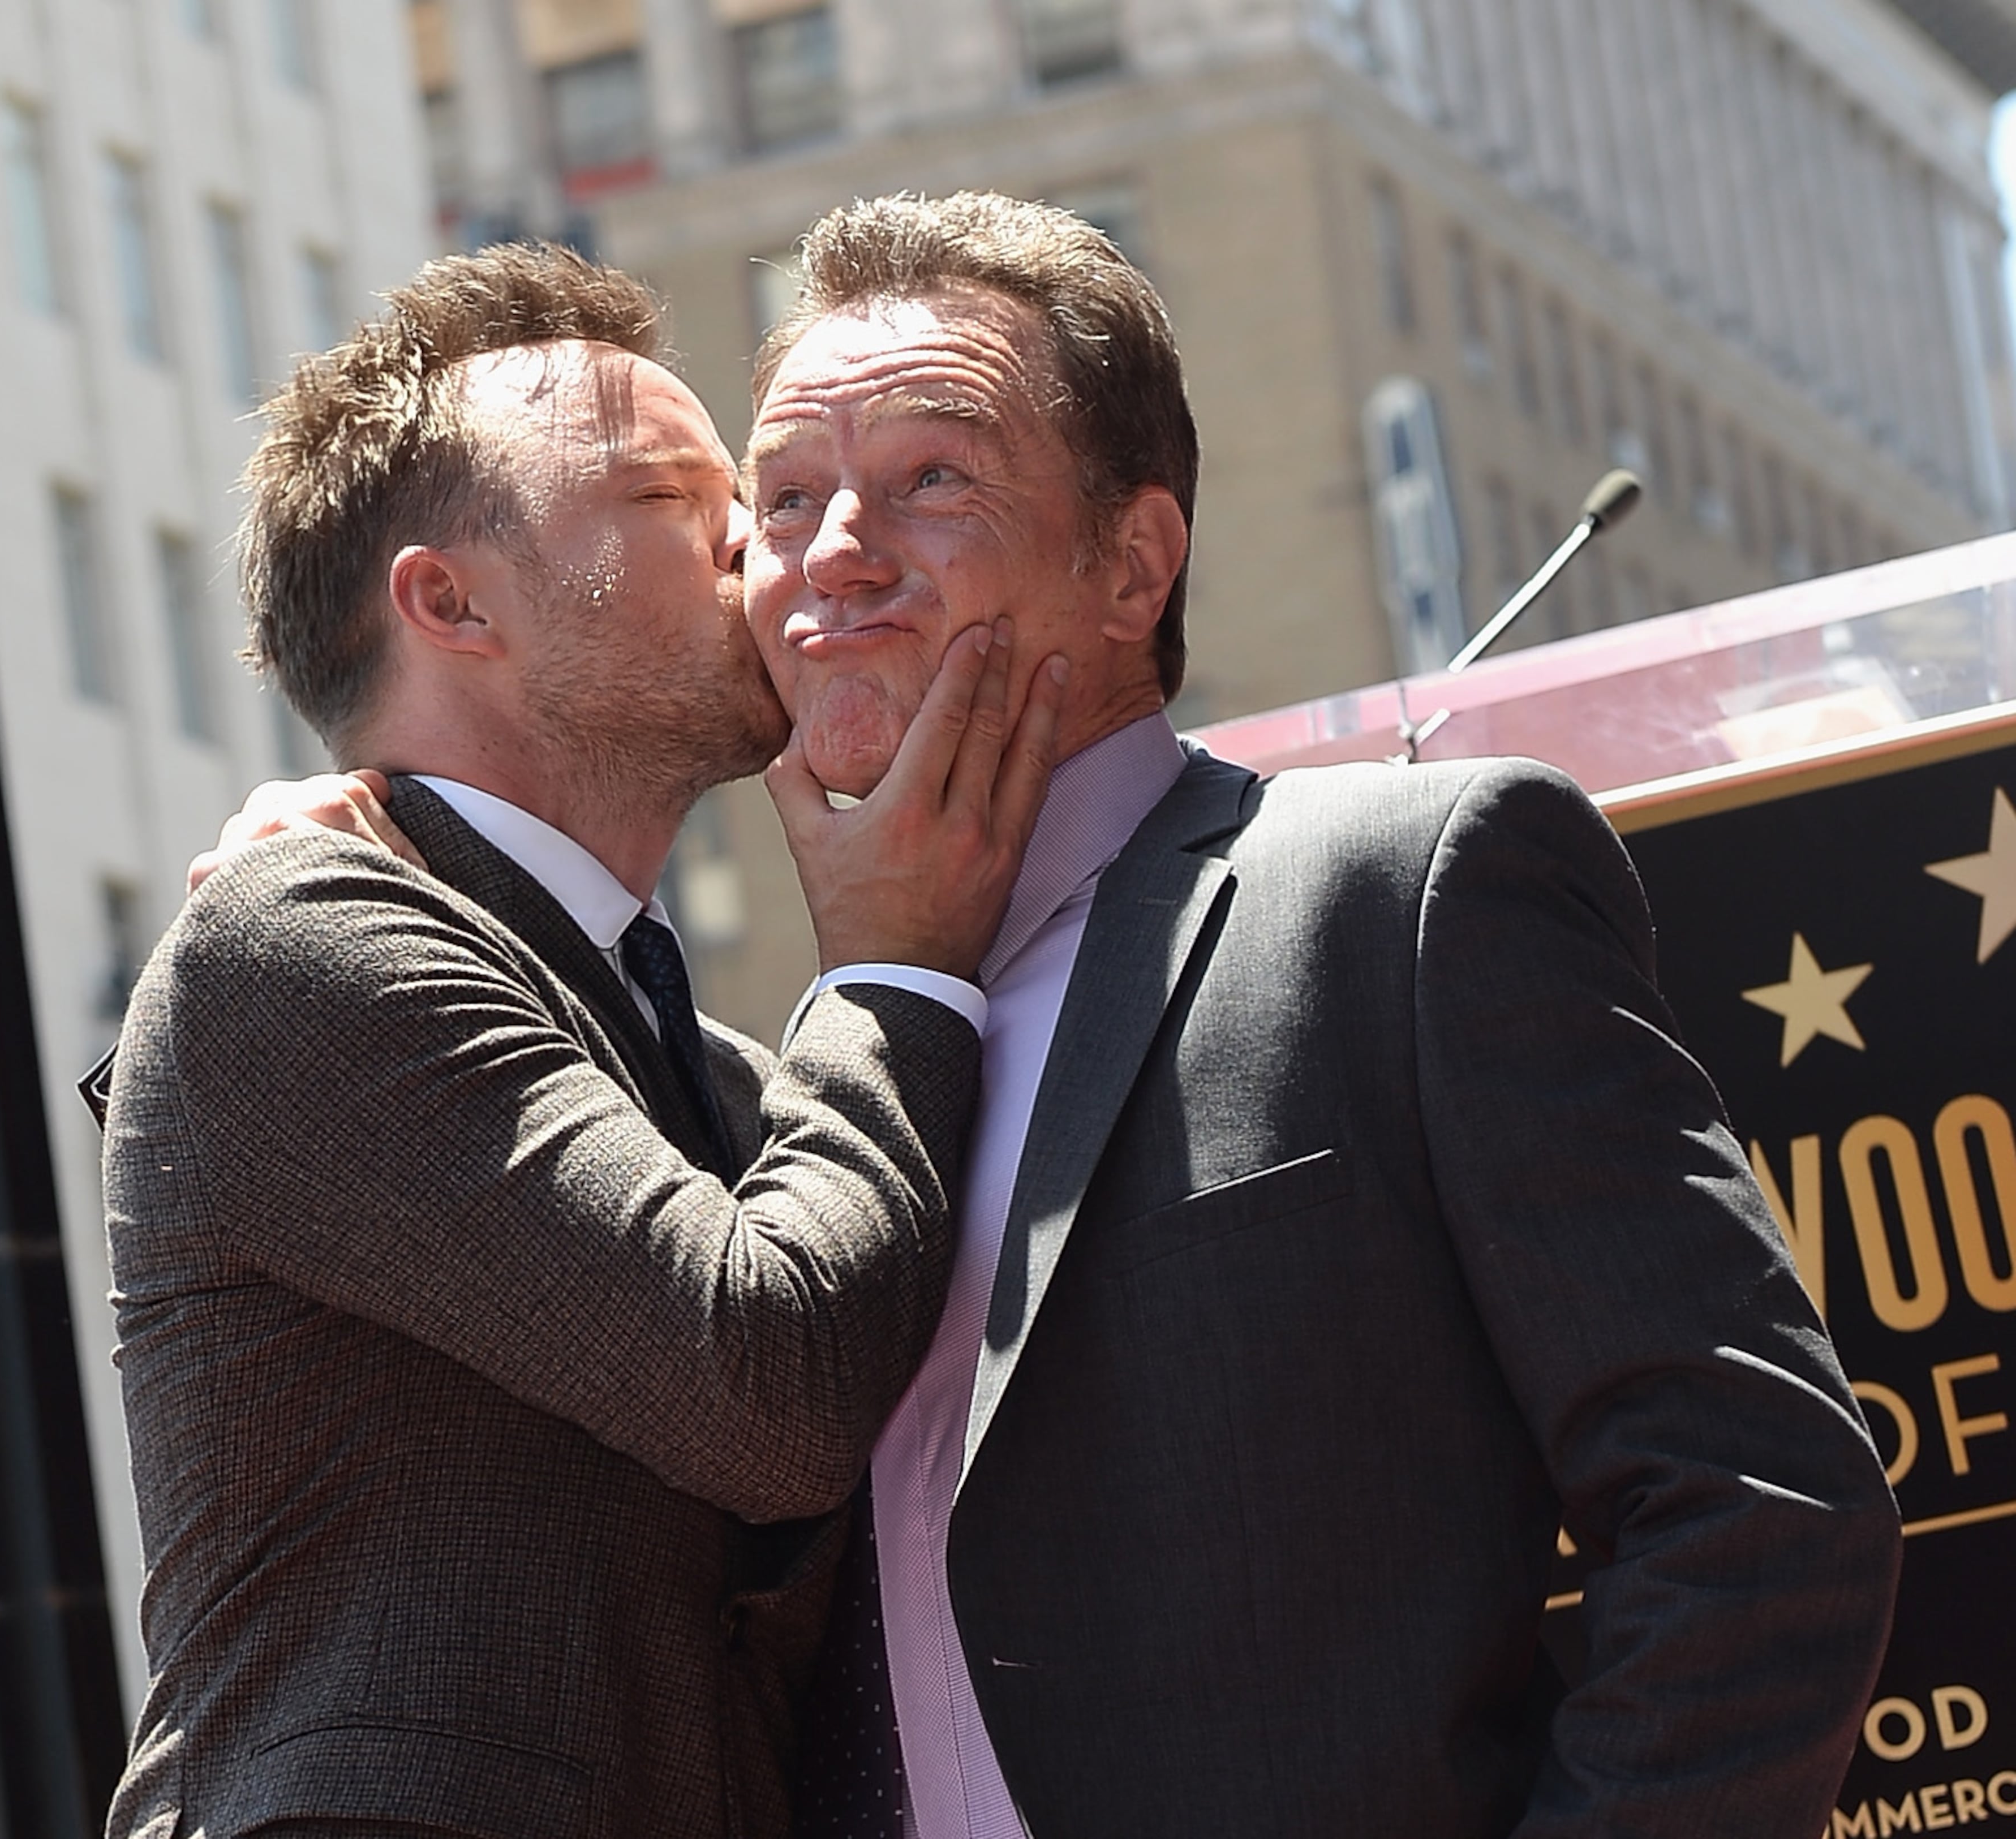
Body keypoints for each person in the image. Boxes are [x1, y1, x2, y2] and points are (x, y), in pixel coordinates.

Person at [735, 192, 1903, 1838]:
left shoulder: (1406, 895)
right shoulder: (787, 1099)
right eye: (782, 498)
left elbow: (1759, 1505)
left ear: (1134, 559)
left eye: (931, 476)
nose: (831, 551)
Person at [90, 240, 1062, 1839]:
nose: (773, 542)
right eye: (675, 498)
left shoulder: (726, 1078)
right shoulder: (299, 937)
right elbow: (764, 1384)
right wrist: (894, 969)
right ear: (451, 600)